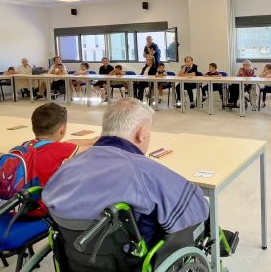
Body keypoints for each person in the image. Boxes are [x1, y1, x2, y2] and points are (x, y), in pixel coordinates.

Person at [42, 98, 209, 247]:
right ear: (141, 133)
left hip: (76, 259)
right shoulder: (145, 172)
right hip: (132, 265)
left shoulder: (68, 166)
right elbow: (195, 208)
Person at [0, 103, 95, 207]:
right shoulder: (61, 150)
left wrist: (92, 138)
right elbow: (89, 149)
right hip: (35, 208)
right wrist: (98, 140)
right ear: (63, 129)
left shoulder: (27, 145)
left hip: (14, 201)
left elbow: (67, 143)